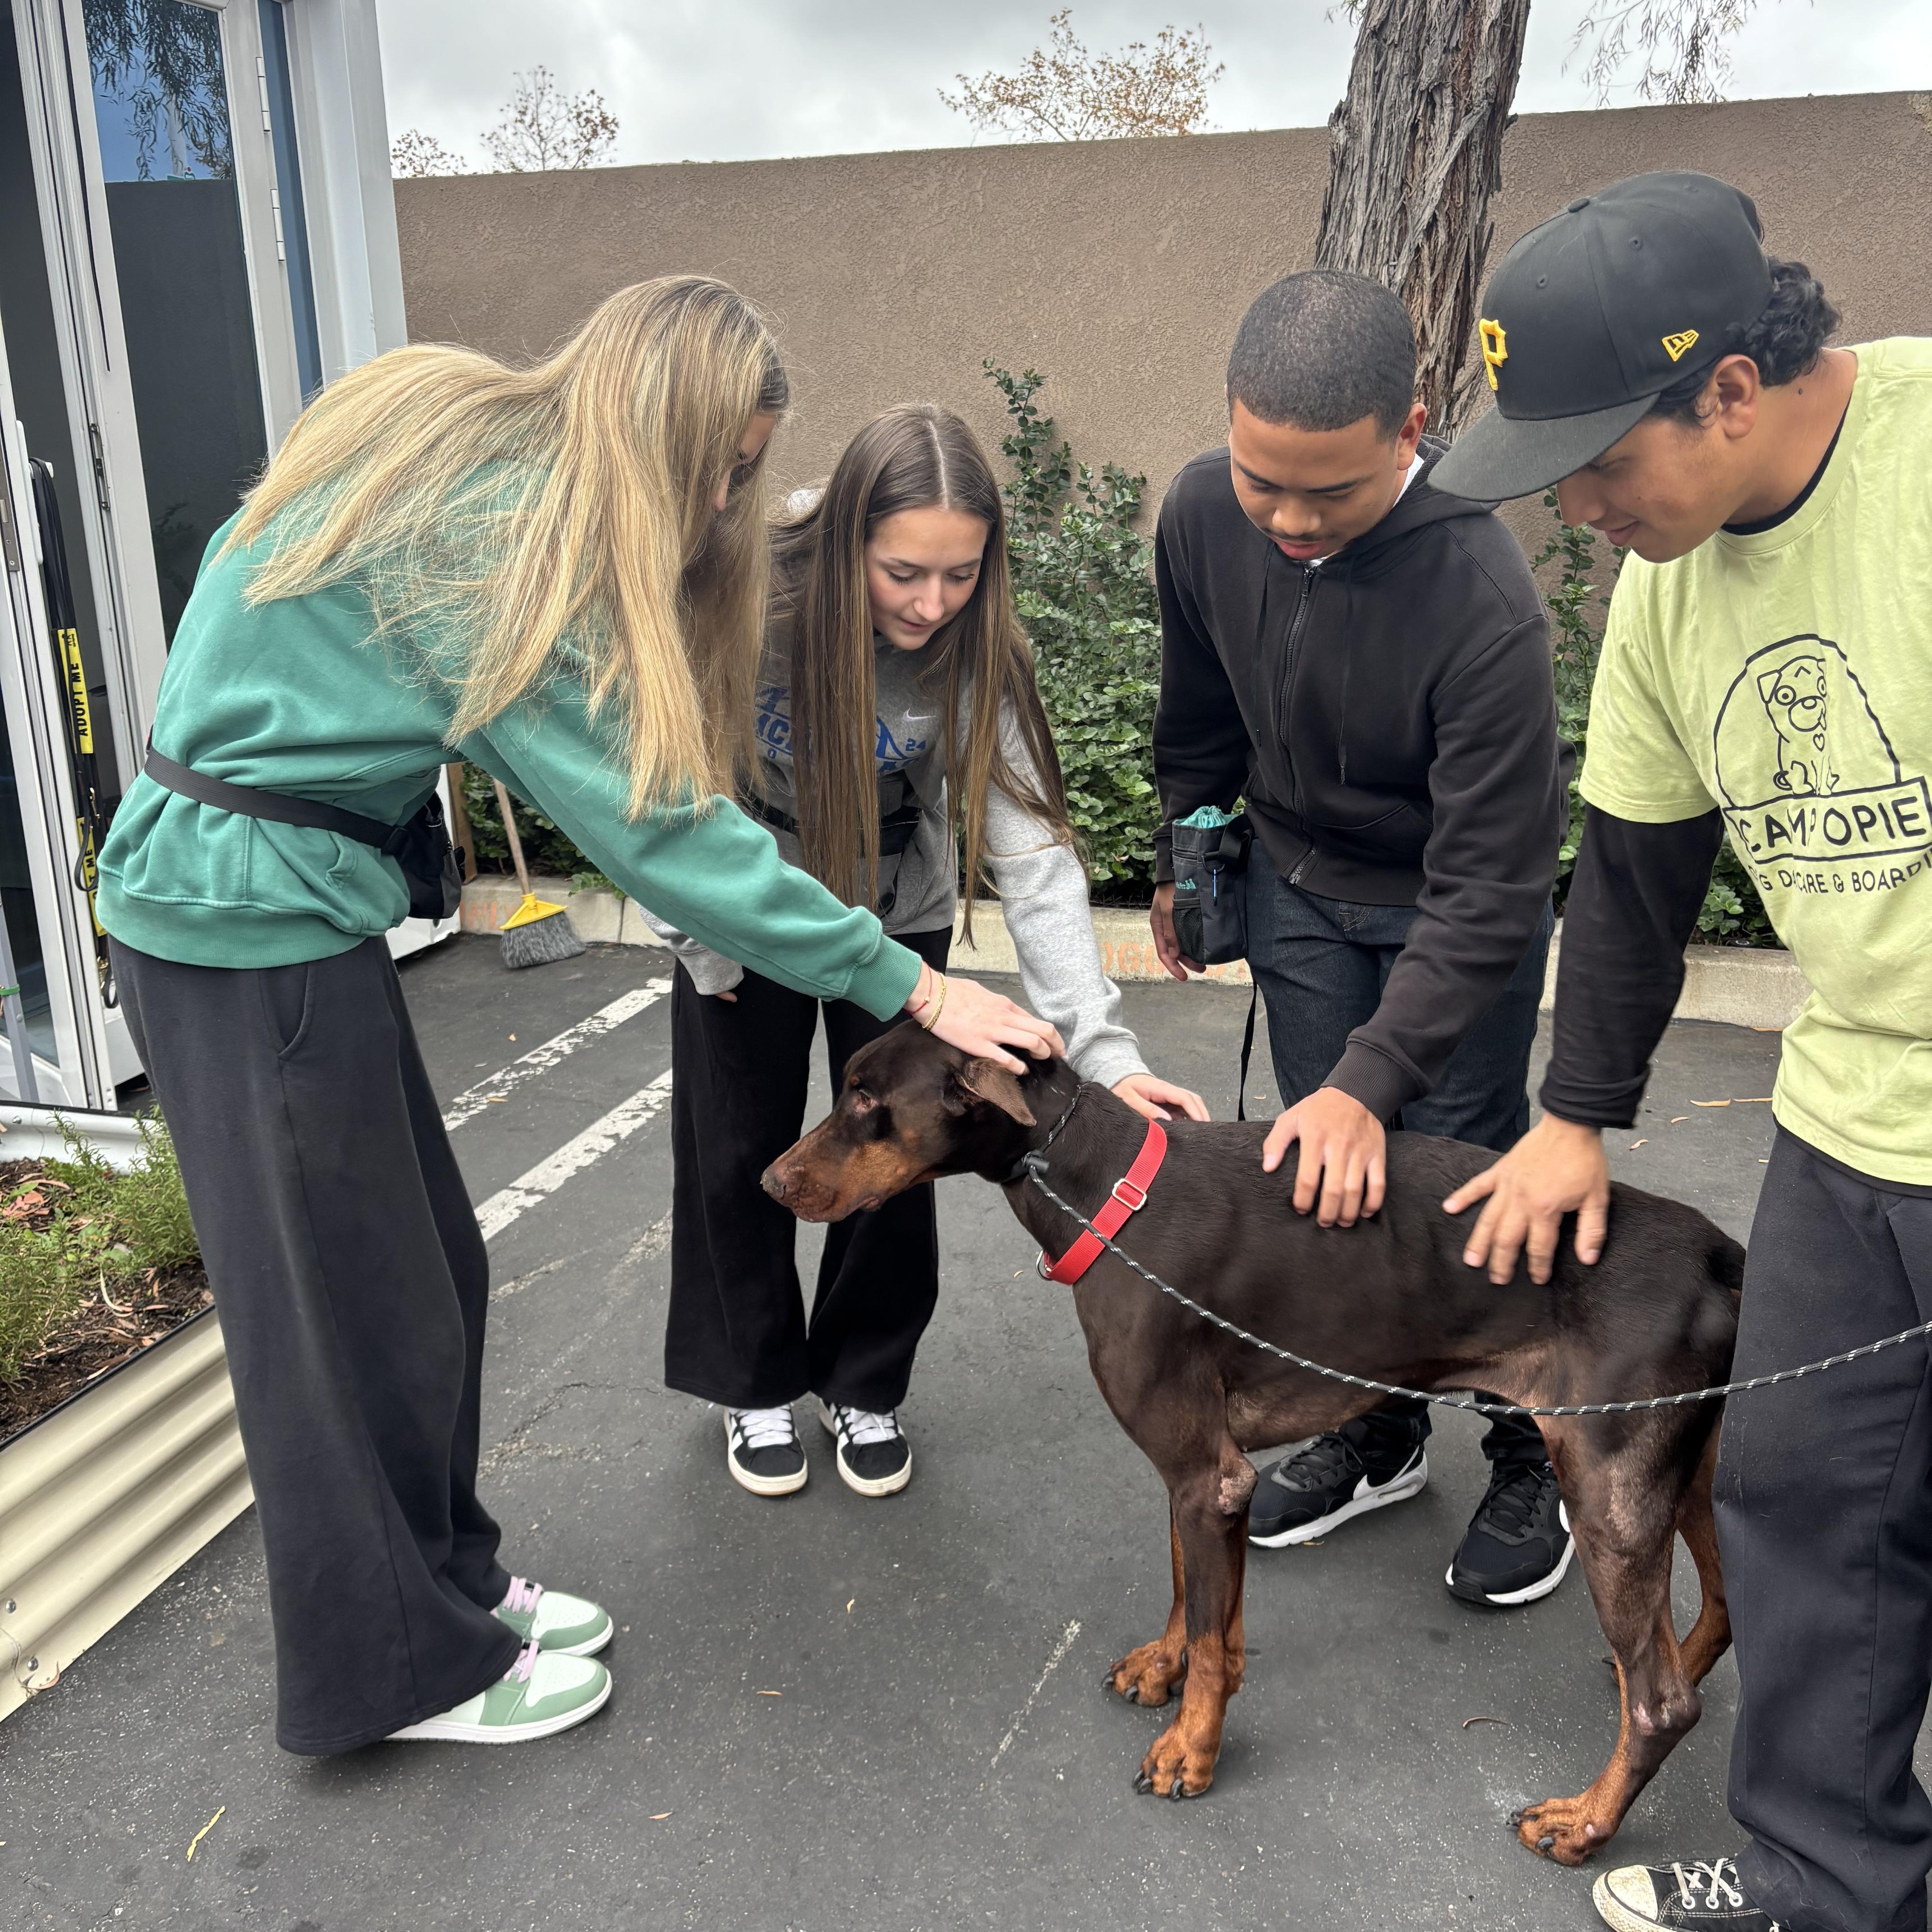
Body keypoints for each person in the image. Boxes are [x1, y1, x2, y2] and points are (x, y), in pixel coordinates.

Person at [93, 280, 1063, 1756]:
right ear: (655, 425)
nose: (727, 502)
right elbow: (663, 831)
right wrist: (918, 985)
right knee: (341, 1327)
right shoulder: (511, 547)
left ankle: (454, 1586)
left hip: (287, 905)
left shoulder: (453, 429)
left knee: (426, 1283)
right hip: (236, 920)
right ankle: (403, 1669)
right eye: (725, 467)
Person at [1432, 173, 1932, 1932]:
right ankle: (1831, 1881)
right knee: (1804, 1503)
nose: (1573, 507)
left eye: (1595, 461)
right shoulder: (1666, 592)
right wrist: (1573, 1117)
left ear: (1728, 388)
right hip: (1854, 1120)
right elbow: (1637, 874)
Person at [649, 404, 1206, 1500]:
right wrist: (702, 950)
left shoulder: (977, 645)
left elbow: (1033, 855)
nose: (931, 603)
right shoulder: (745, 602)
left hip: (897, 915)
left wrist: (1105, 1053)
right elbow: (660, 795)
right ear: (846, 540)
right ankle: (753, 1383)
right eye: (904, 573)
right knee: (735, 1148)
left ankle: (865, 1381)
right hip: (741, 918)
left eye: (960, 575)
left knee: (900, 1146)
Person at [1150, 270, 1575, 1605]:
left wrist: (1370, 1080)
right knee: (1330, 1181)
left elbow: (1492, 885)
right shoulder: (1200, 510)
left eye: (1327, 492)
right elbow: (1196, 704)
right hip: (1295, 881)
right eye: (1261, 480)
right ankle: (1377, 1429)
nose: (1287, 521)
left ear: (1412, 426)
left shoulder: (1480, 592)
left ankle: (1530, 1448)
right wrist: (1186, 848)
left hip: (1448, 910)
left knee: (1467, 1182)